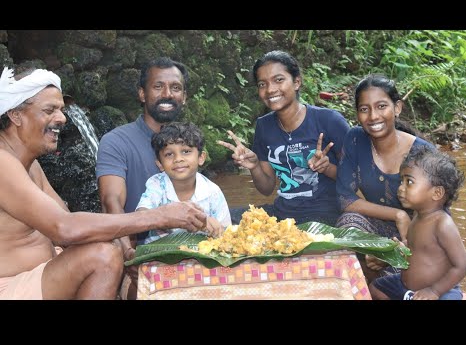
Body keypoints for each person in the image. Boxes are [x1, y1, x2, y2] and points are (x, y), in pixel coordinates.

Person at [0, 67, 207, 299]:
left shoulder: (30, 165)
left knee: (109, 250)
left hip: (44, 272)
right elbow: (64, 229)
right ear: (15, 115)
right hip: (11, 285)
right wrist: (160, 216)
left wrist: (132, 254)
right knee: (102, 256)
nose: (62, 118)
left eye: (60, 110)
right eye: (50, 110)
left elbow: (73, 226)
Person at [218, 50, 350, 226]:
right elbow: (266, 189)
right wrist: (255, 166)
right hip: (281, 213)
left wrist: (327, 168)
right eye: (262, 84)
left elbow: (354, 181)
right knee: (219, 217)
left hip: (324, 215)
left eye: (278, 80)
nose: (270, 89)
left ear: (296, 82)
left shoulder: (329, 120)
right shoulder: (264, 126)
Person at [96, 57, 189, 298]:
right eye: (158, 87)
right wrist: (129, 255)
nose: (167, 94)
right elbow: (111, 200)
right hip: (140, 255)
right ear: (142, 94)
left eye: (175, 88)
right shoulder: (116, 141)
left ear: (184, 97)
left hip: (190, 250)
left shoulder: (189, 143)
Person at [335, 74, 435, 278]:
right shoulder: (355, 139)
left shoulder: (424, 153)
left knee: (403, 270)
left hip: (416, 233)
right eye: (365, 109)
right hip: (380, 227)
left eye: (381, 106)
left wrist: (404, 244)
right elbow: (345, 199)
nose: (373, 116)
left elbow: (437, 216)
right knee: (348, 223)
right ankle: (370, 279)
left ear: (397, 108)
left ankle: (386, 278)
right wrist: (398, 215)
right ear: (357, 113)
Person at [369, 146, 466, 300]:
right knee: (376, 288)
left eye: (409, 182)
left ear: (437, 193)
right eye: (401, 181)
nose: (401, 188)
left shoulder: (442, 224)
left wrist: (434, 291)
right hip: (407, 287)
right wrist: (395, 253)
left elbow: (462, 266)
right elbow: (415, 248)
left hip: (441, 291)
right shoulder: (418, 215)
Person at [137, 122, 231, 244]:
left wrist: (214, 227)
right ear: (160, 164)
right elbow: (141, 215)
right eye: (169, 154)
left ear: (201, 158)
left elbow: (227, 233)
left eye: (186, 151)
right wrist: (162, 217)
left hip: (201, 254)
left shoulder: (212, 191)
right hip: (159, 253)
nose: (178, 159)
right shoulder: (157, 185)